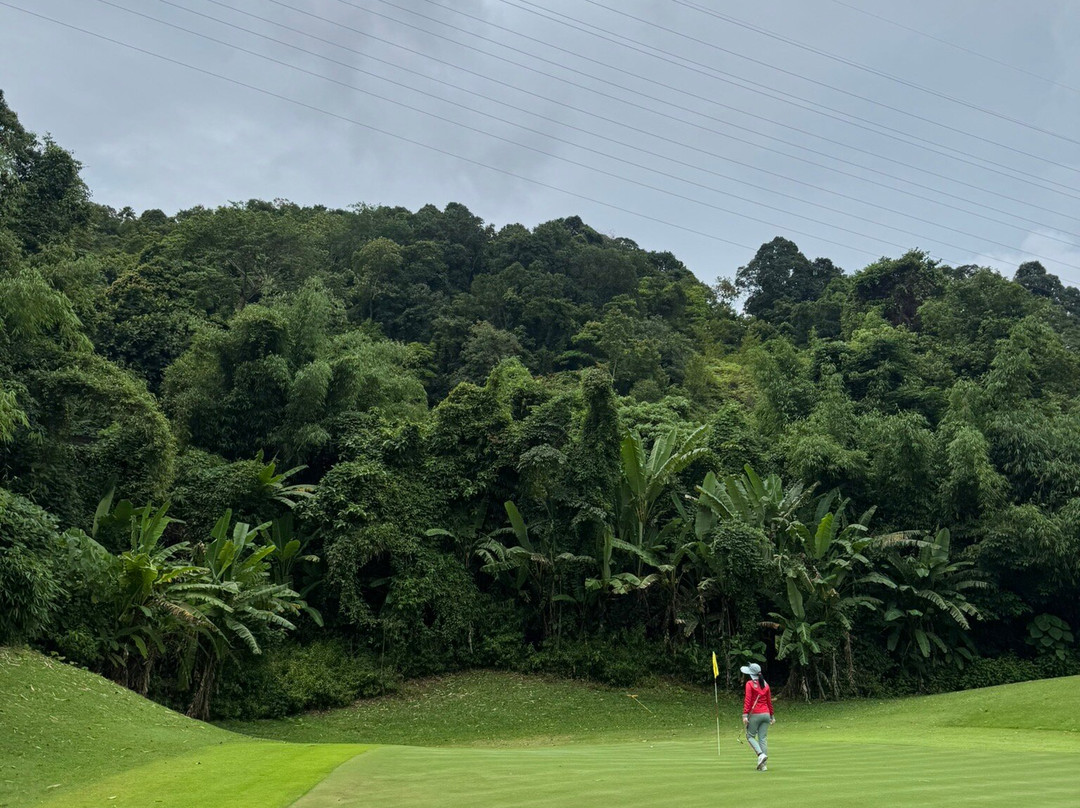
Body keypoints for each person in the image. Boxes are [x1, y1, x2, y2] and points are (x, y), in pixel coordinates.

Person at [741, 663, 774, 771]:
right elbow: (769, 701)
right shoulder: (765, 684)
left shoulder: (750, 684)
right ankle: (763, 765)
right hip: (766, 714)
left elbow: (748, 700)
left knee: (750, 736)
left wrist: (745, 715)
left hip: (755, 714)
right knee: (762, 739)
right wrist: (772, 716)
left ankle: (760, 755)